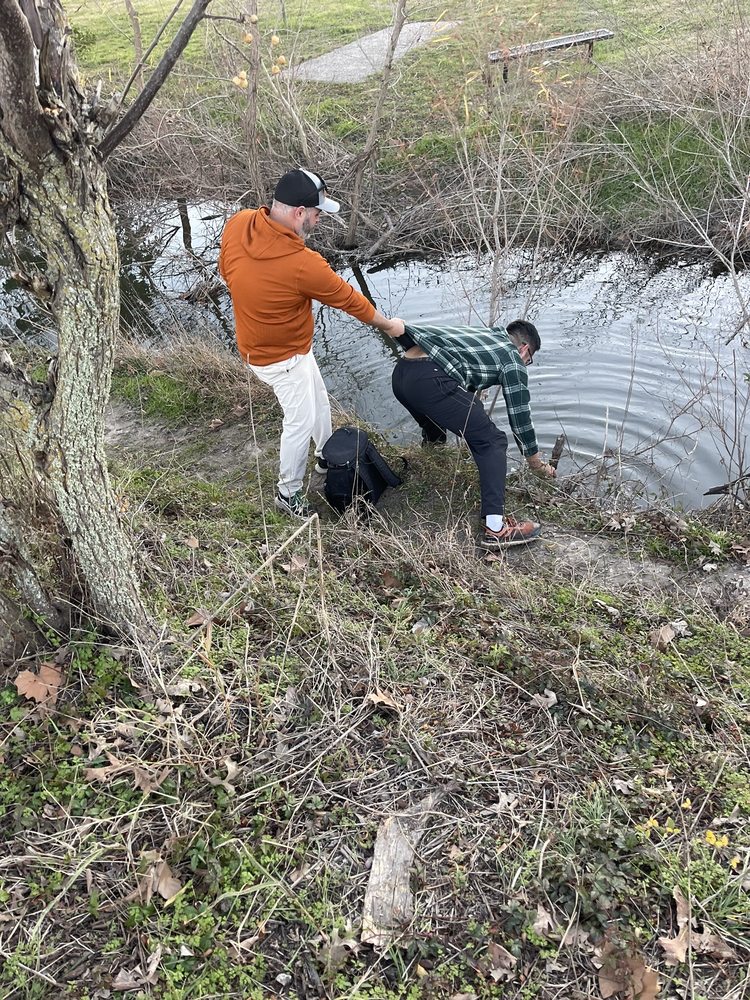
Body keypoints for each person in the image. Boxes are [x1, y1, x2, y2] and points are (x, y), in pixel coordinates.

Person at [219, 167, 405, 518]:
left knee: (318, 397)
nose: (318, 222)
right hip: (282, 359)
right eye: (317, 214)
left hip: (258, 347)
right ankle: (287, 494)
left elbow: (226, 270)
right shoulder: (303, 264)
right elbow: (352, 301)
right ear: (299, 212)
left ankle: (326, 456)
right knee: (299, 420)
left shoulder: (240, 222)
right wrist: (390, 326)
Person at [389, 320, 556, 549]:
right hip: (429, 379)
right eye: (529, 360)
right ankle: (496, 529)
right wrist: (537, 464)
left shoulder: (487, 336)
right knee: (493, 441)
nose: (526, 364)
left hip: (401, 375)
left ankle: (427, 462)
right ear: (525, 349)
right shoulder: (513, 358)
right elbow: (520, 418)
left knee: (435, 430)